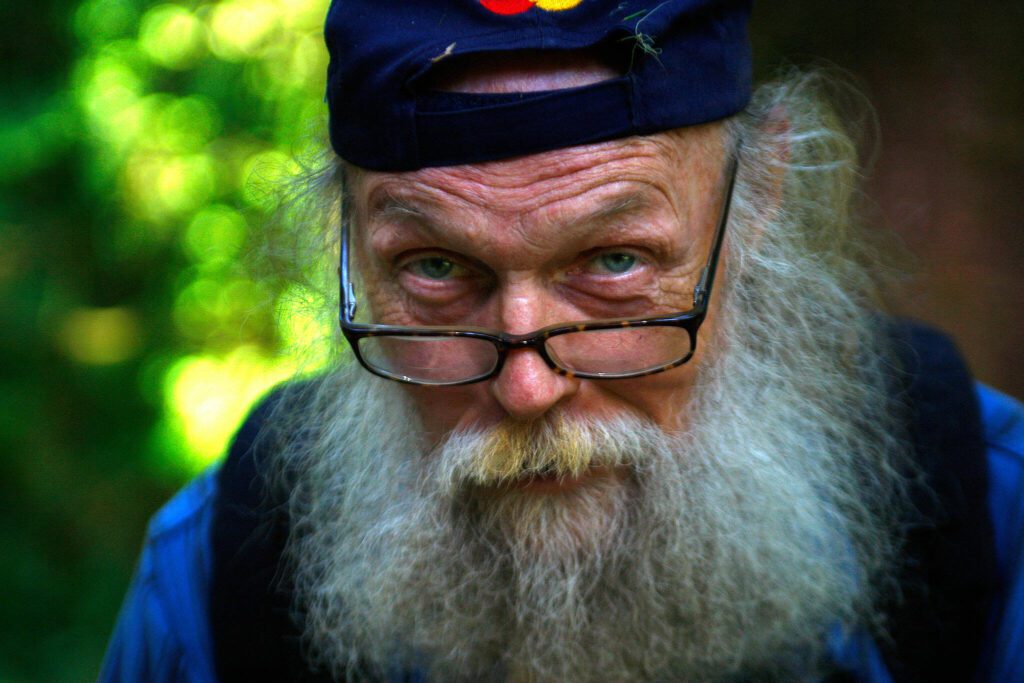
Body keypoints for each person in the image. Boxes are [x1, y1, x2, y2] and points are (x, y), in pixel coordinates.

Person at [101, 1, 1024, 681]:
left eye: (615, 260)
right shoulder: (218, 580)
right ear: (345, 244)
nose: (529, 390)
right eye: (433, 270)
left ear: (758, 203)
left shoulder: (999, 528)